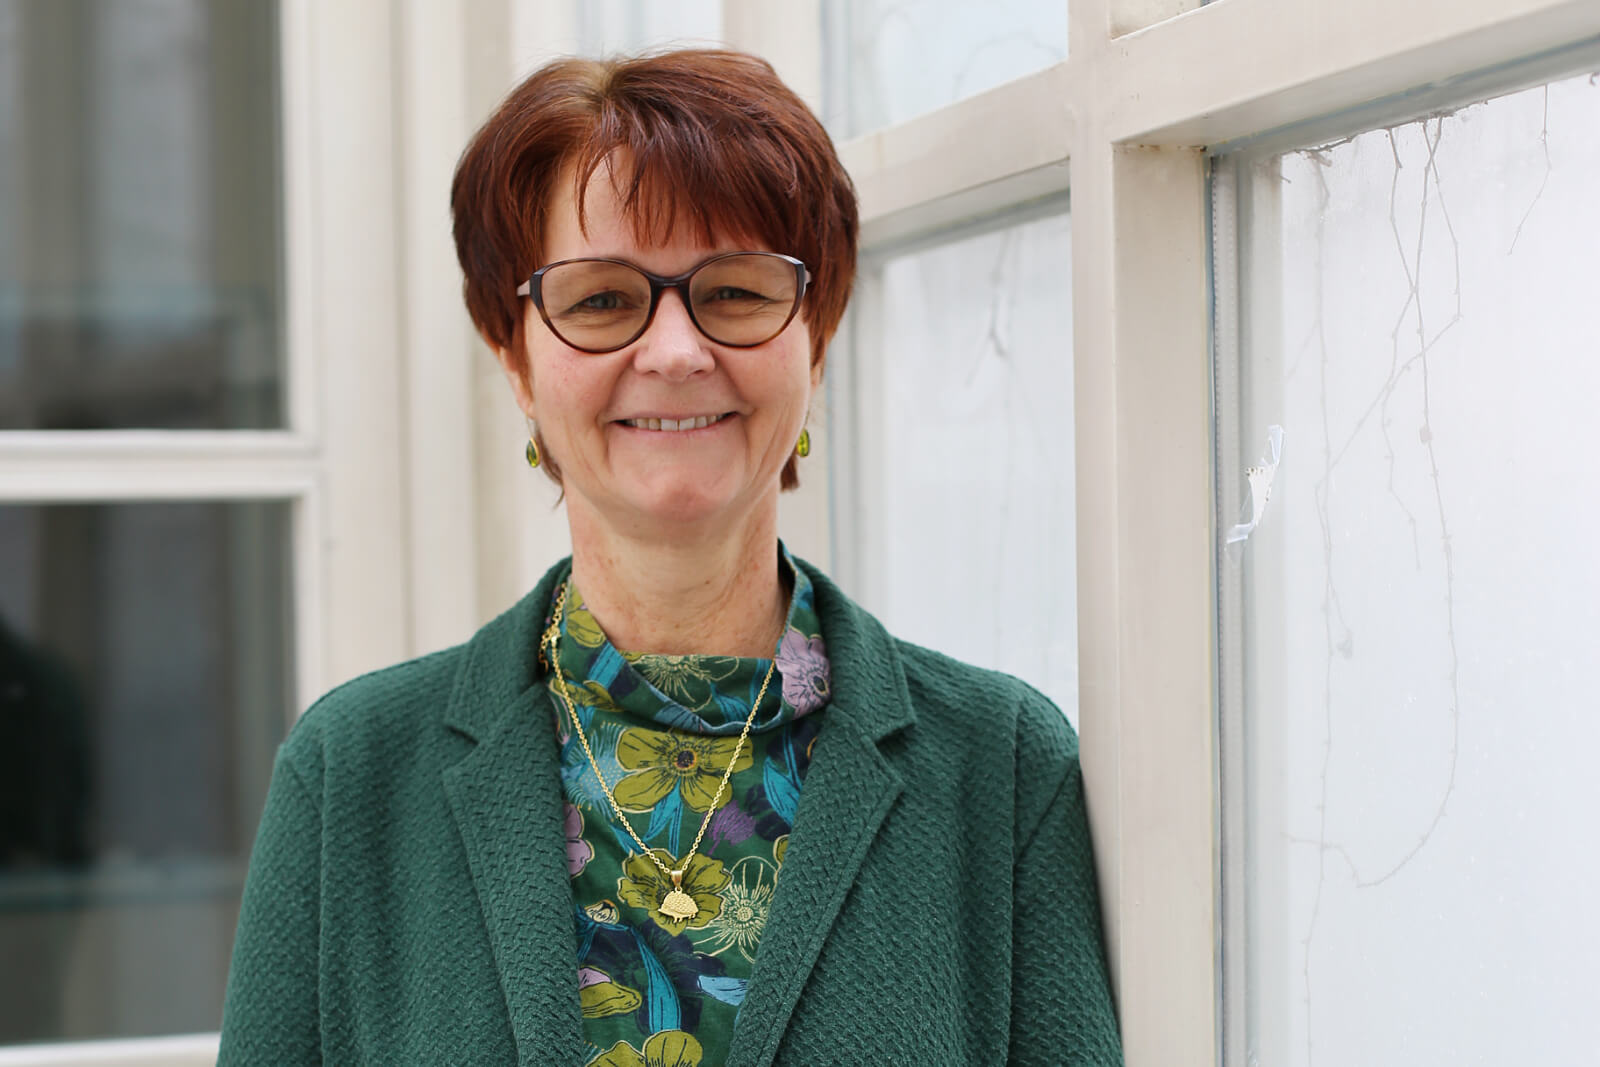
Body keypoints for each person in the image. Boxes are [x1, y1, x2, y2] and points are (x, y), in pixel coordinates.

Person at [219, 48, 1121, 1066]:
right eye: (602, 299)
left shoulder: (1000, 768)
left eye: (734, 291)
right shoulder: (349, 776)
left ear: (814, 340)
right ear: (514, 356)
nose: (677, 349)